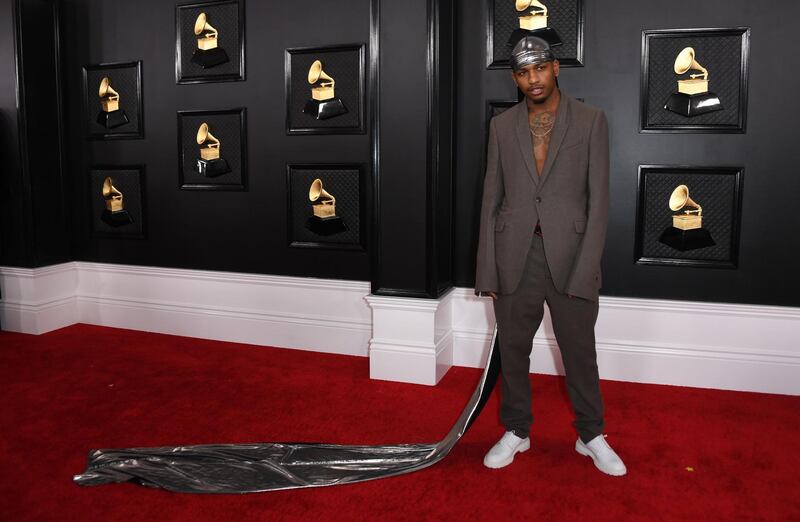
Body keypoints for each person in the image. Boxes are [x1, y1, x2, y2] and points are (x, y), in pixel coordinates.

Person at [474, 36, 626, 476]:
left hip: (572, 253)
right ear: (515, 77)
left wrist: (588, 264)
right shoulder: (501, 127)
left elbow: (599, 202)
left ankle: (591, 435)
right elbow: (491, 200)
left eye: (539, 68)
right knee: (514, 348)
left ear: (556, 67)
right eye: (522, 72)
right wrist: (488, 268)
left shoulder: (591, 120)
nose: (532, 79)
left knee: (580, 351)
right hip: (513, 254)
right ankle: (517, 430)